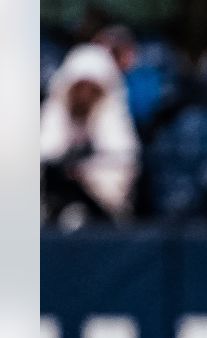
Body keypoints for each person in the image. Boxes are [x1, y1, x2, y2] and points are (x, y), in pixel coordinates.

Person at [40, 42, 140, 227]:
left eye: (91, 88)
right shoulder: (56, 110)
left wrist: (84, 171)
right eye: (80, 87)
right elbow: (45, 155)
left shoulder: (111, 114)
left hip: (101, 214)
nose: (85, 94)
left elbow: (122, 163)